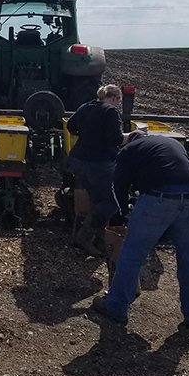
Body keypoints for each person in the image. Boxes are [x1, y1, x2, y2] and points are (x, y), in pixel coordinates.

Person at [91, 134, 189, 329]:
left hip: (159, 198)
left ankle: (116, 306)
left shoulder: (128, 150)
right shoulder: (172, 144)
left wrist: (122, 213)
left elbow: (118, 185)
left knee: (132, 253)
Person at [66, 85, 132, 257]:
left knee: (98, 200)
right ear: (116, 98)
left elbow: (71, 126)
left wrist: (89, 134)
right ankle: (84, 237)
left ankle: (97, 238)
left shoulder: (86, 106)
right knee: (111, 203)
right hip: (98, 162)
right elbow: (117, 139)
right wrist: (135, 135)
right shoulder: (110, 111)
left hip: (78, 159)